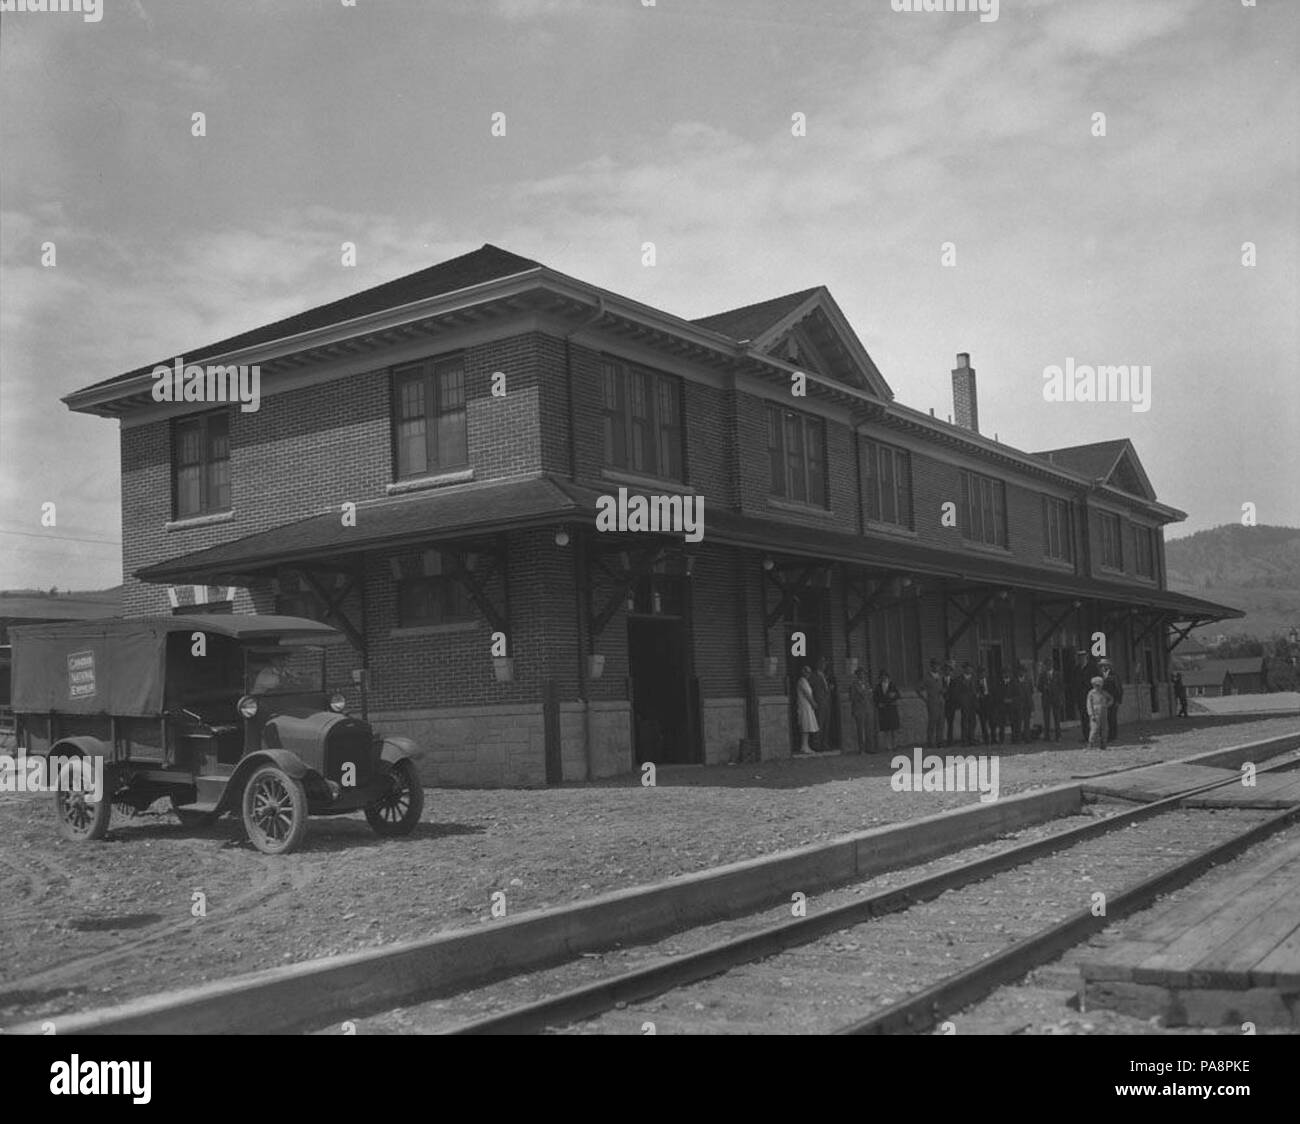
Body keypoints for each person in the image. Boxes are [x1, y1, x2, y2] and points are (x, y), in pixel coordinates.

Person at [873, 670, 901, 753]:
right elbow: (875, 698)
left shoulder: (892, 685)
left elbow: (898, 695)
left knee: (894, 729)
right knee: (886, 729)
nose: (884, 678)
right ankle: (888, 746)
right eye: (882, 677)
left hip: (892, 708)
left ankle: (895, 745)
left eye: (885, 676)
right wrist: (878, 704)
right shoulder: (878, 687)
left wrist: (894, 696)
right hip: (883, 709)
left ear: (888, 677)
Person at [1075, 650, 1100, 743]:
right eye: (1079, 657)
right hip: (1081, 697)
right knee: (1084, 717)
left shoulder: (1093, 668)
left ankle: (1095, 736)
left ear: (1086, 657)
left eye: (1083, 657)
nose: (1081, 659)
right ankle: (1086, 736)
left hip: (1092, 696)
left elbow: (1099, 680)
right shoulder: (1077, 669)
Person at [920, 659, 946, 749]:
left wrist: (943, 692)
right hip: (932, 702)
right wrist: (925, 699)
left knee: (941, 722)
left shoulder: (940, 676)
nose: (937, 667)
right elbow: (918, 689)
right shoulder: (927, 677)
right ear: (931, 666)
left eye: (938, 666)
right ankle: (930, 742)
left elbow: (942, 688)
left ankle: (939, 741)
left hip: (941, 702)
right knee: (932, 722)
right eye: (935, 665)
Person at [1038, 661, 1065, 742]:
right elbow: (1039, 687)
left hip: (1055, 698)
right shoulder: (1042, 675)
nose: (1048, 666)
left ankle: (1058, 736)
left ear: (1052, 665)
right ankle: (1047, 736)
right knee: (1046, 718)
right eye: (1047, 665)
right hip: (1046, 698)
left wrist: (1060, 698)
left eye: (1049, 664)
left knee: (1057, 717)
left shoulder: (1057, 674)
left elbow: (1061, 686)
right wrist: (1043, 687)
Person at [795, 666, 819, 756]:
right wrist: (813, 703)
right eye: (807, 672)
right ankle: (804, 746)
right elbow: (807, 694)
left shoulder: (806, 681)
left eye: (810, 672)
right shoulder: (802, 681)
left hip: (808, 707)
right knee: (805, 725)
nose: (809, 674)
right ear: (803, 672)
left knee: (808, 726)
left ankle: (806, 745)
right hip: (804, 706)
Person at [955, 664, 978, 747]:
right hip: (964, 702)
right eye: (967, 668)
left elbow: (977, 689)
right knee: (965, 721)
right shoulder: (959, 679)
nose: (969, 670)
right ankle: (964, 740)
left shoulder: (974, 678)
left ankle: (971, 738)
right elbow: (957, 691)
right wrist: (960, 701)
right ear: (964, 669)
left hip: (973, 702)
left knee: (973, 721)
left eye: (970, 668)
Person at [810, 657, 831, 751]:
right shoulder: (813, 676)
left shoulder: (825, 675)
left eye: (825, 663)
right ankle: (816, 744)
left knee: (826, 723)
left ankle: (825, 743)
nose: (824, 665)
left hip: (827, 702)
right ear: (818, 664)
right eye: (822, 663)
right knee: (819, 723)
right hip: (819, 702)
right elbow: (811, 689)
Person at [1100, 659, 1123, 742]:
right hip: (1103, 699)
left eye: (1104, 665)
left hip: (1113, 699)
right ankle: (1104, 735)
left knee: (1112, 718)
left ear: (1108, 666)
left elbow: (1118, 688)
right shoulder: (1100, 676)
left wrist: (1118, 700)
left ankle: (1113, 736)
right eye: (1101, 666)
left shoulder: (1114, 675)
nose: (1103, 667)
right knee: (1104, 718)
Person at [850, 666, 871, 754]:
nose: (862, 675)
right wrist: (861, 695)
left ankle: (868, 748)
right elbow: (852, 697)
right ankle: (861, 749)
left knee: (867, 729)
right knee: (860, 729)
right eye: (860, 674)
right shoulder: (854, 685)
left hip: (866, 708)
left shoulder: (866, 684)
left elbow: (869, 694)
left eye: (863, 674)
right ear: (857, 675)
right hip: (858, 709)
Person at [1086, 675, 1109, 749]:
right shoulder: (1091, 693)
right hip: (1095, 712)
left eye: (1099, 685)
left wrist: (1107, 704)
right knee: (1094, 729)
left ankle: (1103, 744)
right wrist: (1091, 714)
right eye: (1096, 685)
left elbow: (1111, 698)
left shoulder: (1103, 693)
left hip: (1104, 712)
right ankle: (1091, 743)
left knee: (1104, 728)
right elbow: (1089, 704)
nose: (1098, 687)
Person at [995, 669, 1018, 744]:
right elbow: (997, 694)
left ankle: (1014, 739)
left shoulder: (1014, 683)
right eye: (1004, 673)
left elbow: (1017, 694)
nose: (1006, 674)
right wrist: (1003, 700)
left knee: (1013, 723)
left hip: (1012, 706)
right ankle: (1001, 739)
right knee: (1002, 724)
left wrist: (1012, 700)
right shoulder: (999, 683)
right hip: (1002, 706)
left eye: (1008, 673)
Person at [942, 660, 960, 747]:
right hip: (941, 704)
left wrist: (956, 703)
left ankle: (950, 740)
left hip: (951, 704)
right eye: (945, 670)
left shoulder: (954, 681)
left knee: (950, 723)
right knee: (941, 722)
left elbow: (956, 693)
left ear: (951, 672)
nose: (947, 672)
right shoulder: (940, 681)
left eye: (948, 670)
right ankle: (940, 740)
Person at [1016, 665, 1035, 743]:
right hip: (1019, 704)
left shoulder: (1028, 680)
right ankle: (1018, 738)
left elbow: (1031, 692)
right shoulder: (1015, 681)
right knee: (1018, 722)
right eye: (1020, 671)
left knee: (1027, 722)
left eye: (1023, 671)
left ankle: (1027, 738)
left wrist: (1031, 705)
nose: (1022, 673)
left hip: (1027, 704)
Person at [975, 665, 993, 745]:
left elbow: (993, 691)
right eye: (980, 673)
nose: (981, 674)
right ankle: (986, 739)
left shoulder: (989, 681)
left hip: (989, 703)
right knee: (983, 722)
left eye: (983, 673)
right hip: (980, 705)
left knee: (991, 722)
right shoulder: (976, 682)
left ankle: (993, 738)